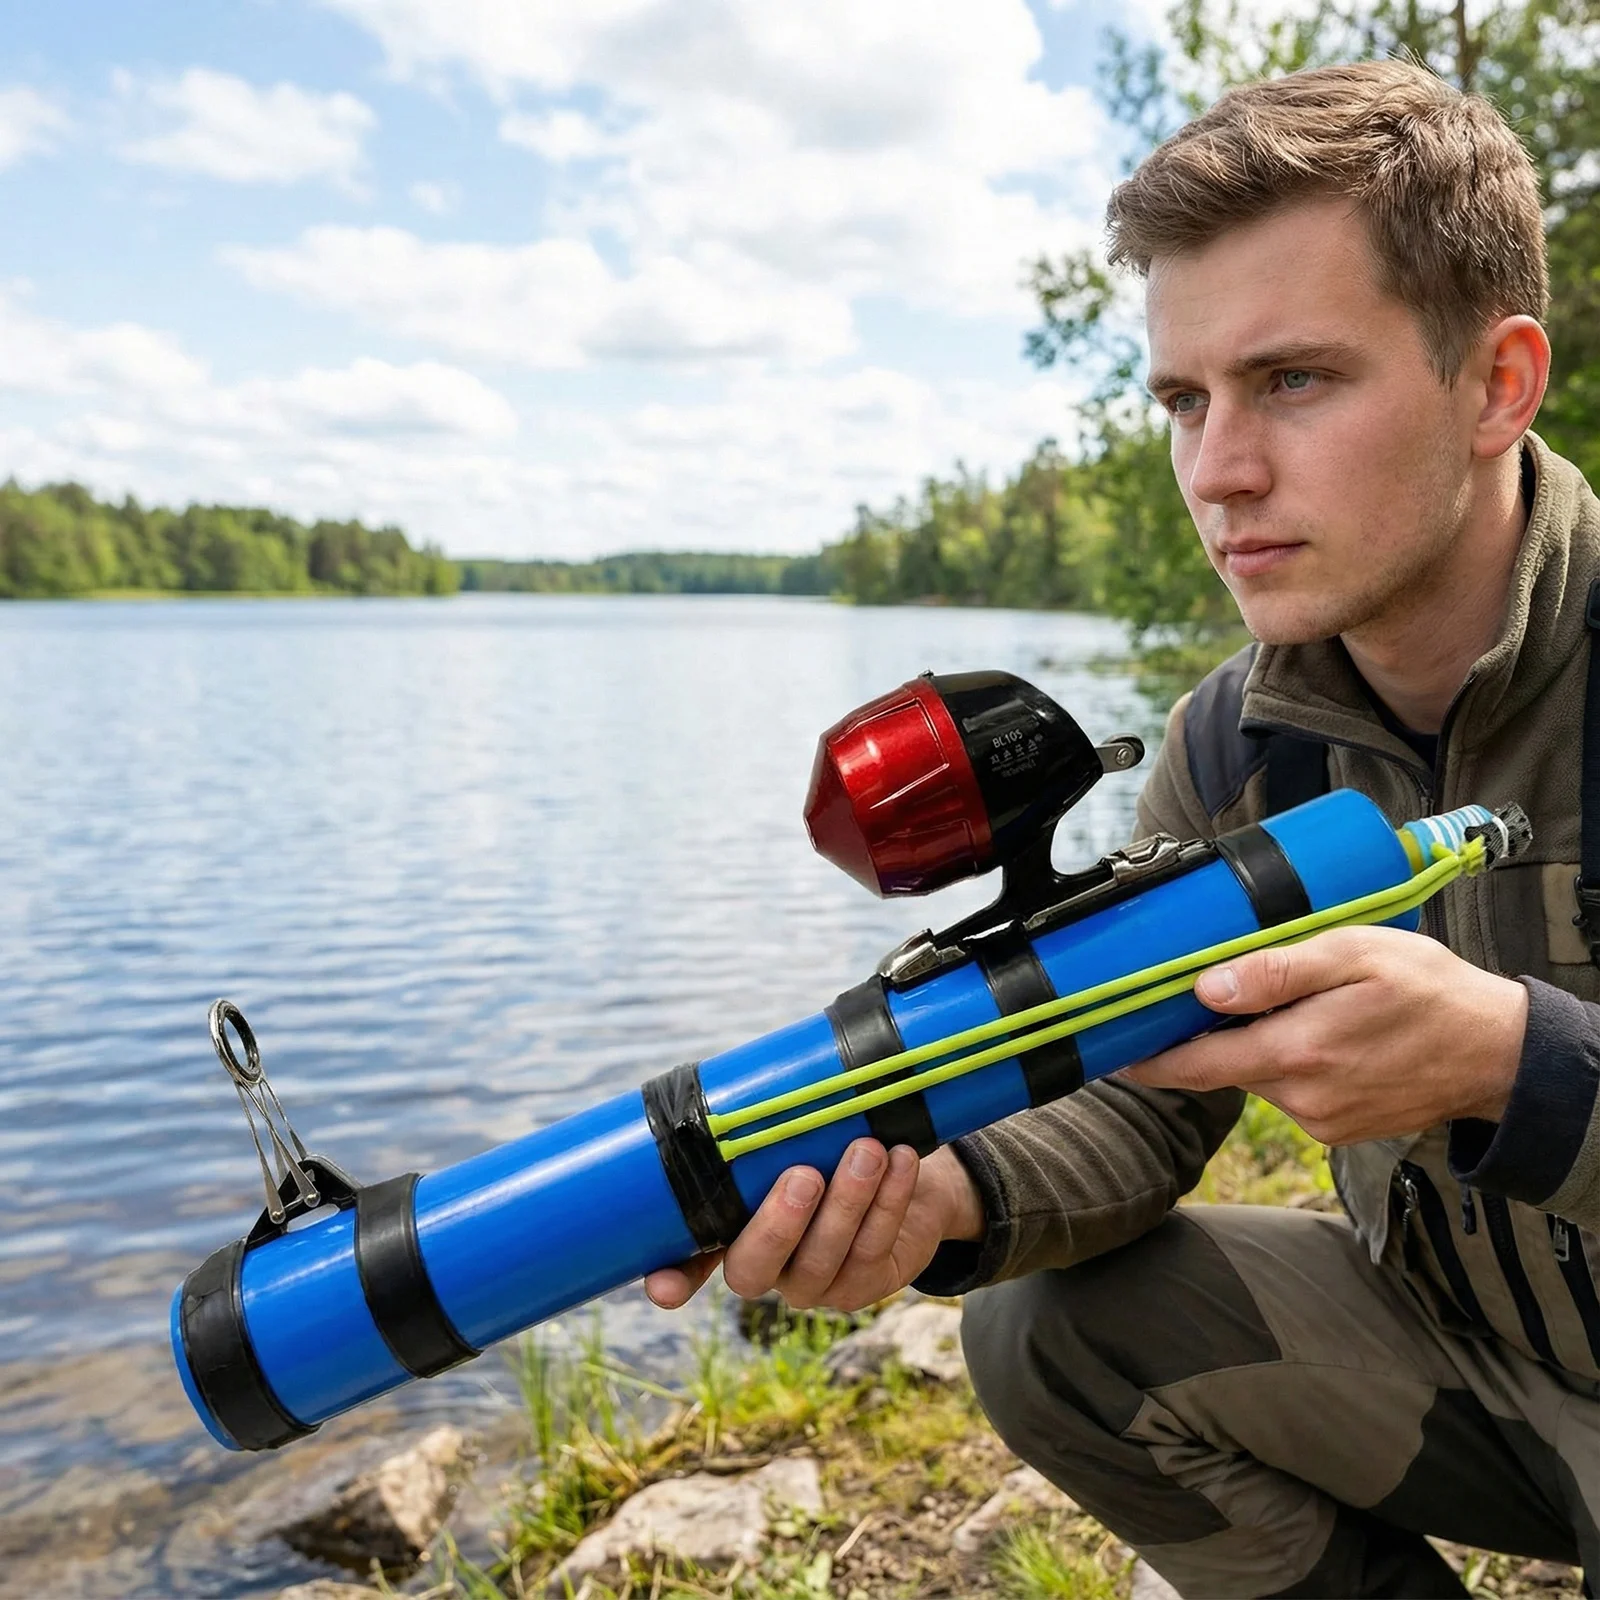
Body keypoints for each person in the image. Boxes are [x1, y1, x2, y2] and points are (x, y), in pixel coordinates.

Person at [648, 59, 1600, 1597]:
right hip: (1475, 1376)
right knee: (1050, 1329)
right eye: (1183, 399)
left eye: (1293, 380)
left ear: (1496, 383)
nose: (1217, 473)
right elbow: (1140, 1097)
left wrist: (1517, 1067)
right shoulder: (1232, 740)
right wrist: (939, 1205)